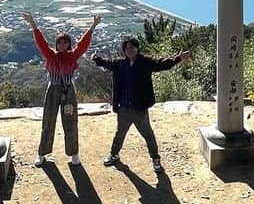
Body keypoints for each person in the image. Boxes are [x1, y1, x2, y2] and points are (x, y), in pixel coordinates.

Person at [93, 37, 191, 173]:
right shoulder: (120, 64)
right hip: (124, 108)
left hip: (140, 108)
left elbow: (161, 64)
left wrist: (178, 58)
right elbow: (106, 63)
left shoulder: (145, 62)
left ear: (137, 48)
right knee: (120, 133)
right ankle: (114, 154)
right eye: (127, 48)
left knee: (148, 135)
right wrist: (97, 59)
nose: (130, 50)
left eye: (132, 47)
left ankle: (156, 159)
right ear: (124, 50)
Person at [23, 10, 101, 167]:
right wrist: (32, 23)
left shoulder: (73, 56)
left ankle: (74, 154)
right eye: (60, 42)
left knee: (71, 122)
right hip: (53, 90)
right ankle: (42, 153)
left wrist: (93, 26)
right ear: (56, 44)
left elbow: (83, 44)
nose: (63, 45)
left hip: (68, 91)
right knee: (48, 121)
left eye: (66, 42)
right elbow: (41, 42)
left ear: (69, 44)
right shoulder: (50, 55)